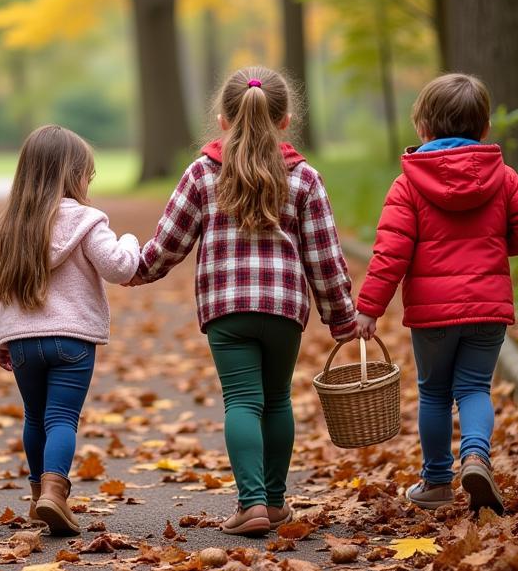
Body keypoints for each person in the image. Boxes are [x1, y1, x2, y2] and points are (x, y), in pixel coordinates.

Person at [130, 66, 356, 536]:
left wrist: (134, 270)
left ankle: (250, 503)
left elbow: (169, 243)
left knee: (242, 401)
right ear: (285, 120)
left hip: (226, 310)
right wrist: (341, 317)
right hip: (283, 310)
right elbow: (325, 257)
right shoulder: (305, 178)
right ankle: (274, 504)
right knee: (277, 400)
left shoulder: (203, 172)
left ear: (223, 119)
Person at [356, 73, 518, 515]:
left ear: (422, 127)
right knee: (476, 387)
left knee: (436, 393)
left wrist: (369, 308)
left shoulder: (409, 183)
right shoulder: (501, 175)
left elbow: (391, 252)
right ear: (483, 128)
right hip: (488, 307)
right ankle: (476, 456)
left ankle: (438, 482)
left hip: (433, 316)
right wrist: (498, 247)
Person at [0, 125, 139, 535]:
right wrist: (132, 240)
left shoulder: (9, 225)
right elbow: (120, 266)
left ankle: (38, 498)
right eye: (88, 173)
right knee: (62, 418)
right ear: (73, 175)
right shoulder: (88, 221)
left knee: (35, 417)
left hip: (22, 341)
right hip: (72, 339)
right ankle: (54, 491)